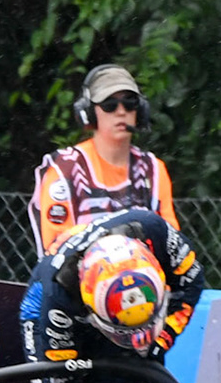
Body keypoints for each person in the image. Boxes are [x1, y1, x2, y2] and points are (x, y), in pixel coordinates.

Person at [20, 208, 204, 383]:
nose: (136, 339)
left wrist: (162, 340)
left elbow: (192, 284)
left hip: (103, 307)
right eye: (127, 333)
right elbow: (61, 381)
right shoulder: (59, 294)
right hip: (46, 304)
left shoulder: (159, 234)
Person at [29, 64, 179, 253]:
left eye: (130, 102)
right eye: (109, 104)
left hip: (148, 278)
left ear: (140, 110)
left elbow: (172, 242)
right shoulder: (64, 169)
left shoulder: (153, 170)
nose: (121, 111)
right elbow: (56, 250)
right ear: (89, 113)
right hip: (81, 279)